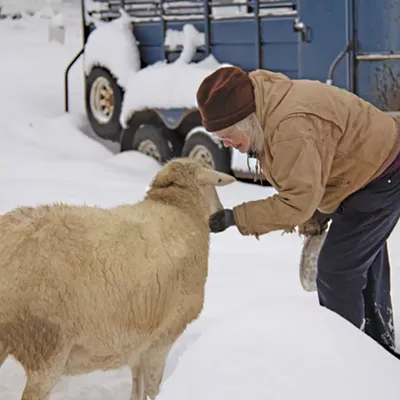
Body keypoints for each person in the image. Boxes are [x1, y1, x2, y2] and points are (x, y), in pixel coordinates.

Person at [195, 66, 400, 358]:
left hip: (381, 171)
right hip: (366, 169)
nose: (227, 145)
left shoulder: (288, 127)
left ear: (246, 120)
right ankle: (379, 348)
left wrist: (235, 217)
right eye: (220, 139)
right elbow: (311, 173)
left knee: (337, 271)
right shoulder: (260, 103)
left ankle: (347, 362)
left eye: (228, 136)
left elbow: (297, 201)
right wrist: (314, 221)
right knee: (360, 261)